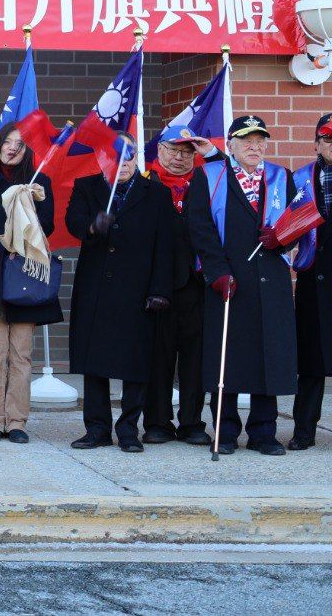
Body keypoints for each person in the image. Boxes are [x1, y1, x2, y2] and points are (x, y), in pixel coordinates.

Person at [186, 115, 297, 456]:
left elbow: (295, 220)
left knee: (269, 354)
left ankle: (264, 432)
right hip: (229, 280)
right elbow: (200, 227)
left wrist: (281, 240)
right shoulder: (210, 176)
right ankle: (227, 430)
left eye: (261, 140)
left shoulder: (281, 177)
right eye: (247, 140)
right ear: (230, 145)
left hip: (271, 281)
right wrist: (217, 272)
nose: (255, 146)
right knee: (227, 356)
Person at [66, 132, 174, 452]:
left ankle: (128, 428)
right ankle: (97, 428)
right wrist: (92, 225)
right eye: (115, 157)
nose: (122, 163)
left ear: (136, 157)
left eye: (128, 157)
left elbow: (164, 247)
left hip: (137, 291)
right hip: (96, 290)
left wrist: (160, 290)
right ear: (103, 159)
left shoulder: (155, 193)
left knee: (135, 363)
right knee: (94, 361)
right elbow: (74, 222)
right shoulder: (88, 187)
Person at [0, 122, 60, 445]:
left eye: (20, 143)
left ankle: (17, 421)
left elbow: (47, 225)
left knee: (21, 355)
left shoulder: (39, 182)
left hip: (25, 278)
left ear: (28, 150)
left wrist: (29, 202)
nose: (12, 148)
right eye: (7, 141)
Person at [142, 126, 222, 446]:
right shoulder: (145, 182)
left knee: (195, 358)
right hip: (158, 284)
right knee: (158, 357)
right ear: (159, 150)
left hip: (197, 284)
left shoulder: (207, 181)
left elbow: (233, 176)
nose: (179, 158)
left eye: (187, 152)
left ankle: (191, 422)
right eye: (173, 150)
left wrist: (212, 153)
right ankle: (157, 421)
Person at [289, 114, 332, 451]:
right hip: (313, 277)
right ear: (316, 144)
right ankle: (303, 432)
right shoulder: (299, 179)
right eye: (328, 138)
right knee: (310, 363)